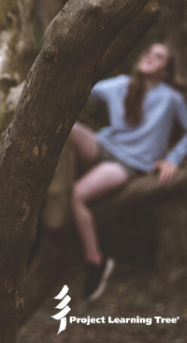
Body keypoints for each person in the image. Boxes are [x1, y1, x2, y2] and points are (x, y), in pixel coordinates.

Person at [70, 43, 187, 302]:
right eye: (148, 52)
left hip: (128, 163)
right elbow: (85, 91)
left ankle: (95, 262)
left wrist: (172, 160)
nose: (149, 56)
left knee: (77, 195)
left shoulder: (171, 98)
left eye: (158, 57)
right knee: (68, 128)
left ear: (165, 72)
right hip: (103, 147)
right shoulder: (121, 84)